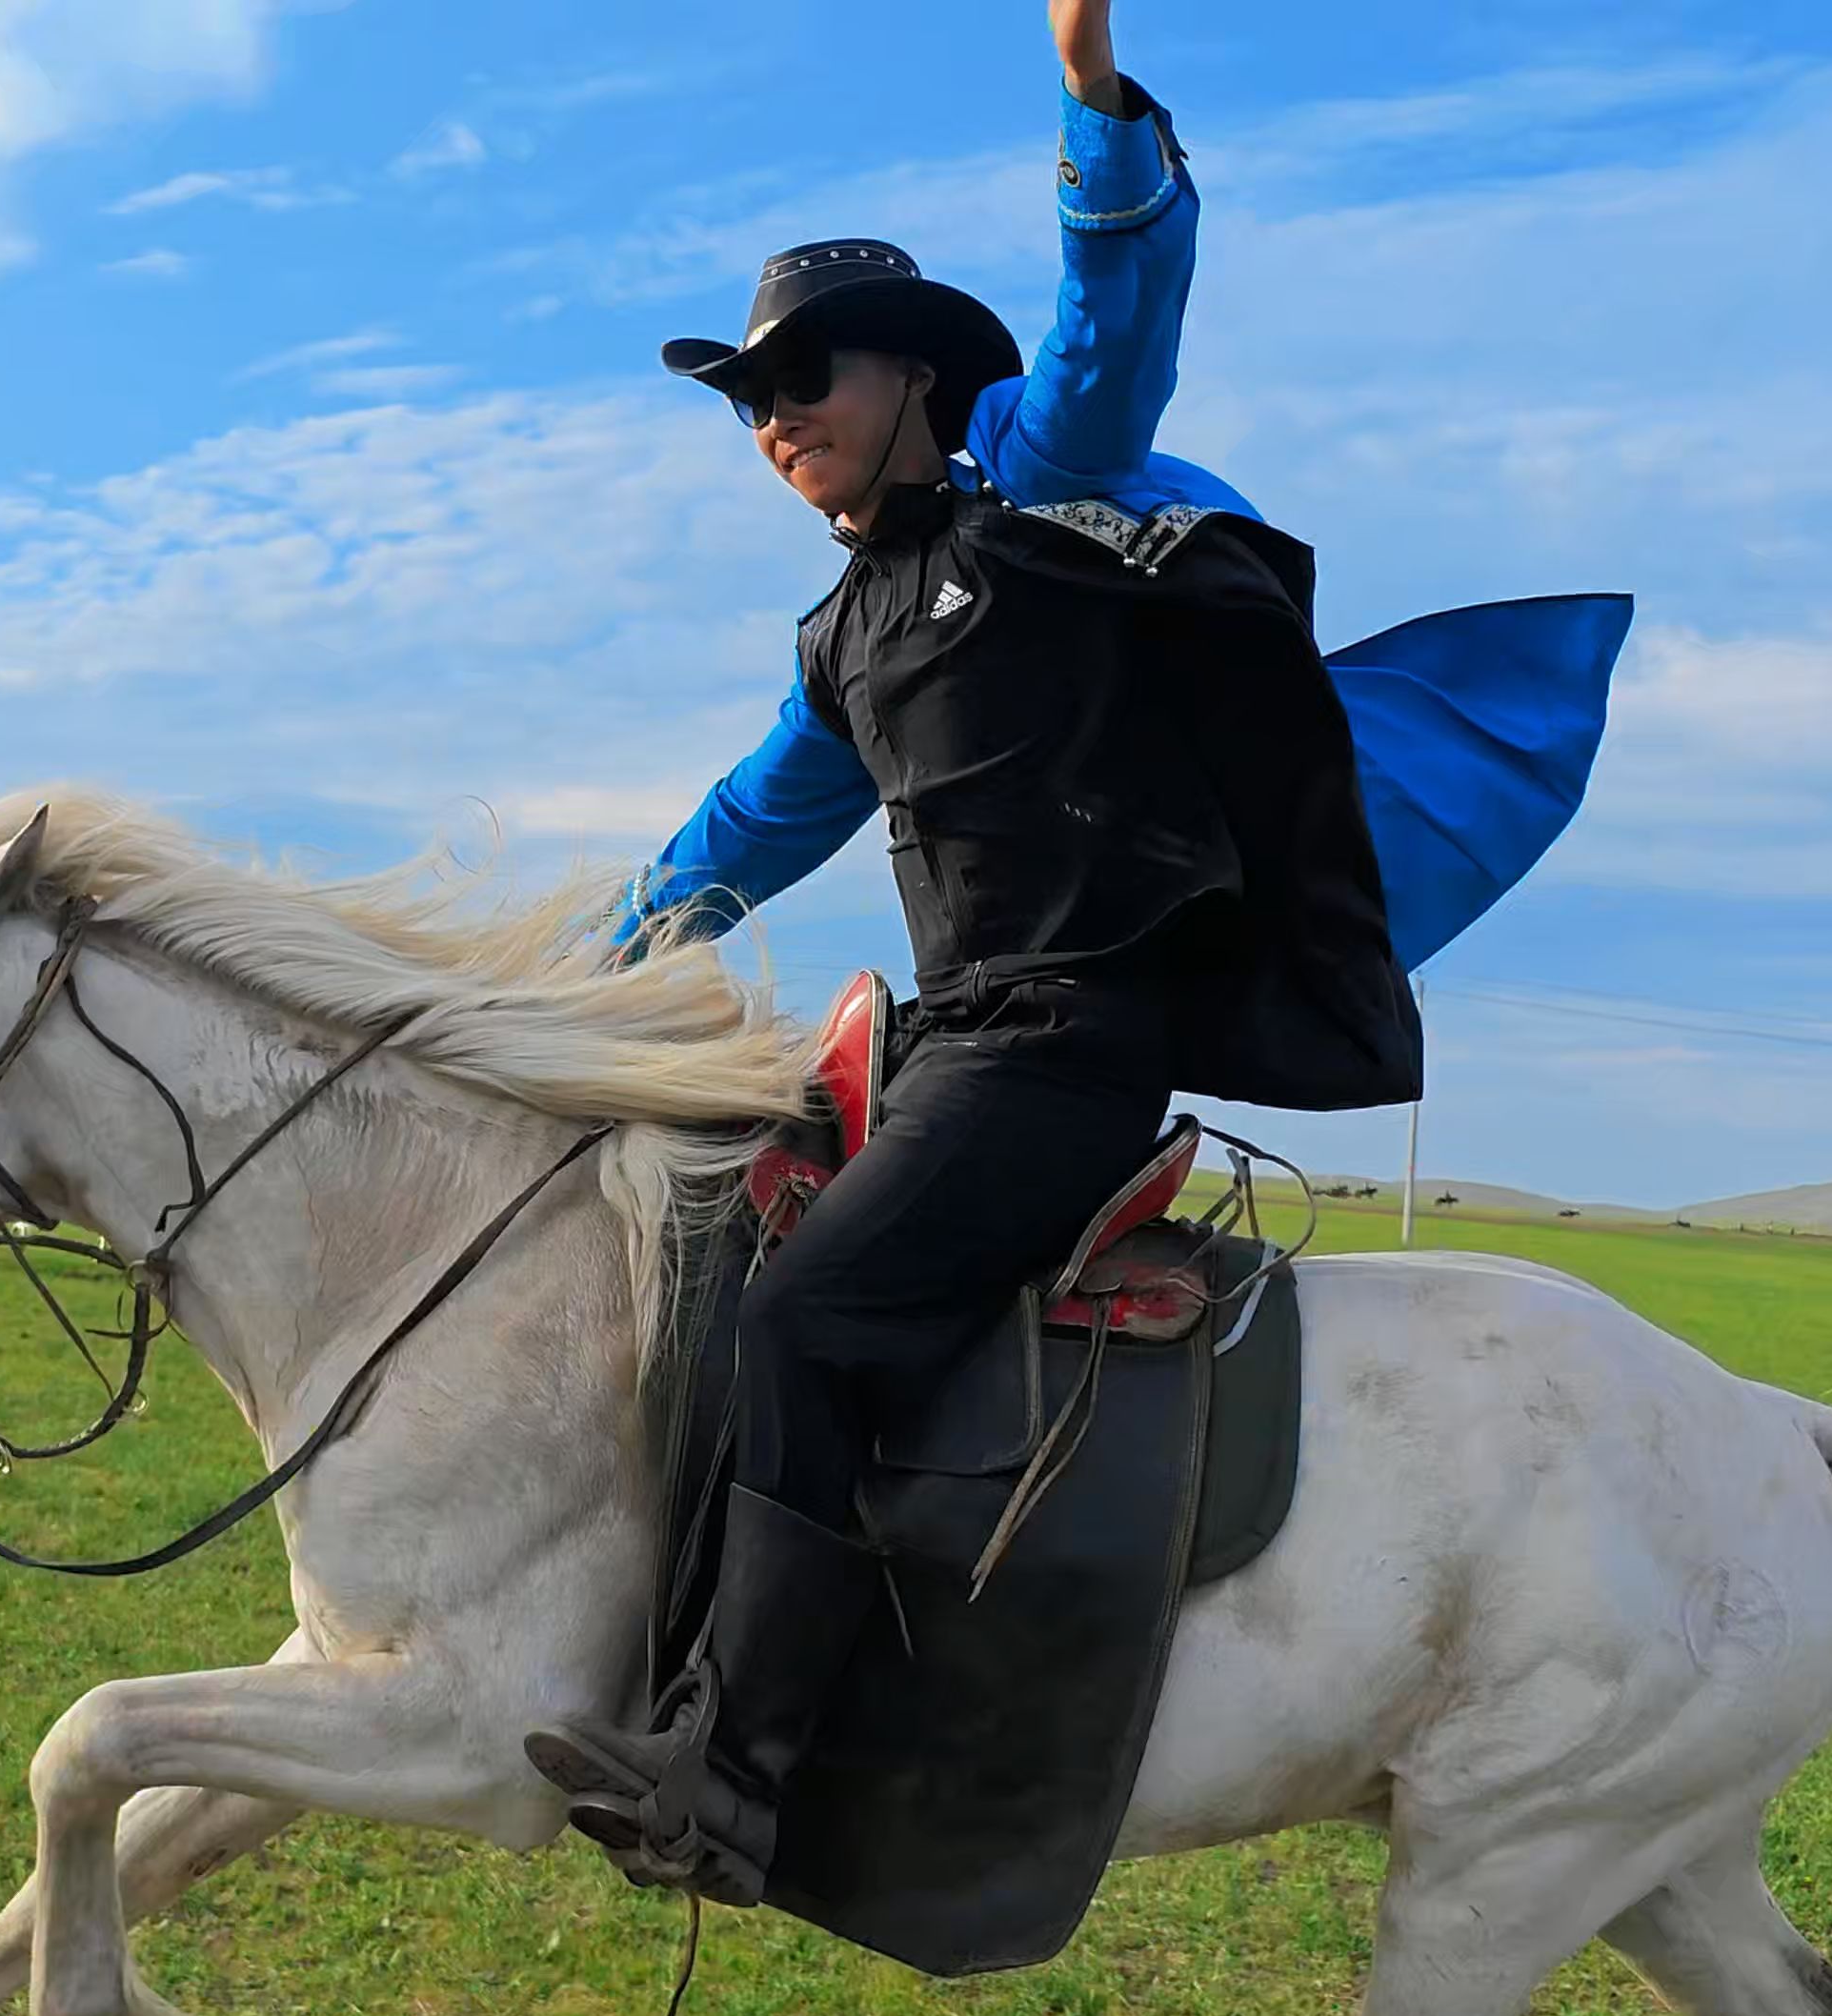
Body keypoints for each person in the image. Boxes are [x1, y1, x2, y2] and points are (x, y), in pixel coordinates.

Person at [524, 0, 1621, 1908]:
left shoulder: (1043, 481)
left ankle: (738, 1775)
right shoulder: (839, 641)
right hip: (950, 1045)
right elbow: (729, 840)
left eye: (805, 377)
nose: (774, 418)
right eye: (748, 398)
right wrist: (550, 992)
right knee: (710, 1251)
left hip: (1073, 1047)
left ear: (920, 379)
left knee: (809, 1321)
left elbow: (1116, 316)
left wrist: (1094, 102)